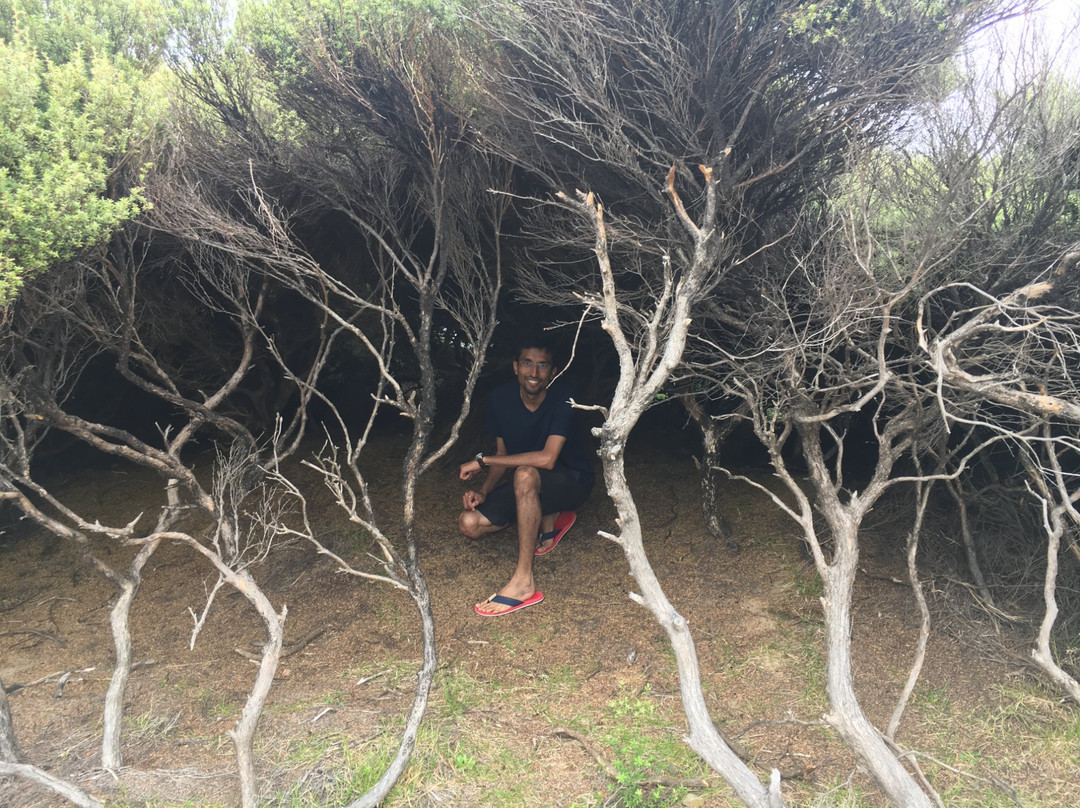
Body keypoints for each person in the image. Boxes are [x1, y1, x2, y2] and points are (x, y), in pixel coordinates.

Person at [458, 333, 594, 616]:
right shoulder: (500, 399)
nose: (534, 373)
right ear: (516, 367)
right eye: (527, 363)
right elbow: (502, 454)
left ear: (553, 372)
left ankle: (523, 582)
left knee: (524, 474)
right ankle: (547, 516)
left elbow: (547, 458)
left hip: (570, 482)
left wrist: (482, 461)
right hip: (528, 483)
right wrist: (484, 490)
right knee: (469, 524)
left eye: (542, 365)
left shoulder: (564, 398)